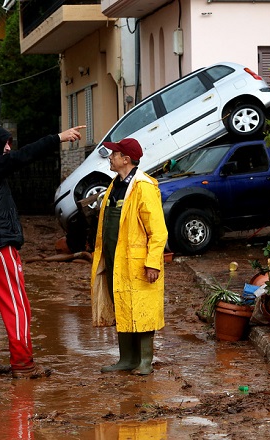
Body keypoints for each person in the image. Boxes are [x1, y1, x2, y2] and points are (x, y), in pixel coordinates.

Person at [0, 123, 85, 379]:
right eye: (4, 142)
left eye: (9, 144)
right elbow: (22, 157)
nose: (7, 148)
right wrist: (57, 137)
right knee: (17, 304)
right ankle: (23, 364)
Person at [90, 138, 168, 375]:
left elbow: (158, 231)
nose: (110, 158)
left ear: (126, 159)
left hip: (138, 262)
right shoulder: (116, 184)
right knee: (121, 304)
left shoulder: (144, 186)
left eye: (114, 154)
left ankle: (144, 361)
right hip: (116, 259)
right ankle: (127, 359)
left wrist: (153, 263)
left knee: (142, 308)